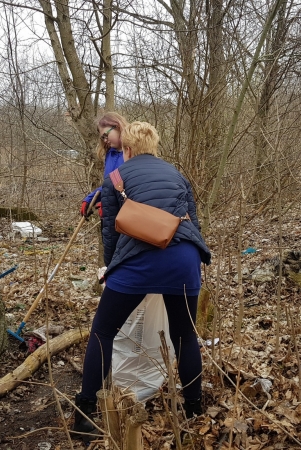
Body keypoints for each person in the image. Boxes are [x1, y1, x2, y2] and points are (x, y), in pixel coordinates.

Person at [71, 122, 211, 441]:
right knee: (185, 336)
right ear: (155, 147)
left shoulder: (115, 177)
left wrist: (111, 269)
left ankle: (84, 414)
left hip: (138, 261)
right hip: (184, 258)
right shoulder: (177, 175)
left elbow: (110, 231)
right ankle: (194, 414)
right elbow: (194, 223)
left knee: (103, 331)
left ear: (128, 149)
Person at [79, 112, 129, 219]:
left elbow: (132, 187)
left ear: (117, 126)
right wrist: (90, 199)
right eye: (103, 138)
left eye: (106, 135)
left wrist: (110, 202)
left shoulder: (134, 152)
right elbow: (111, 184)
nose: (105, 140)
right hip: (110, 215)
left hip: (128, 215)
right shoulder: (110, 154)